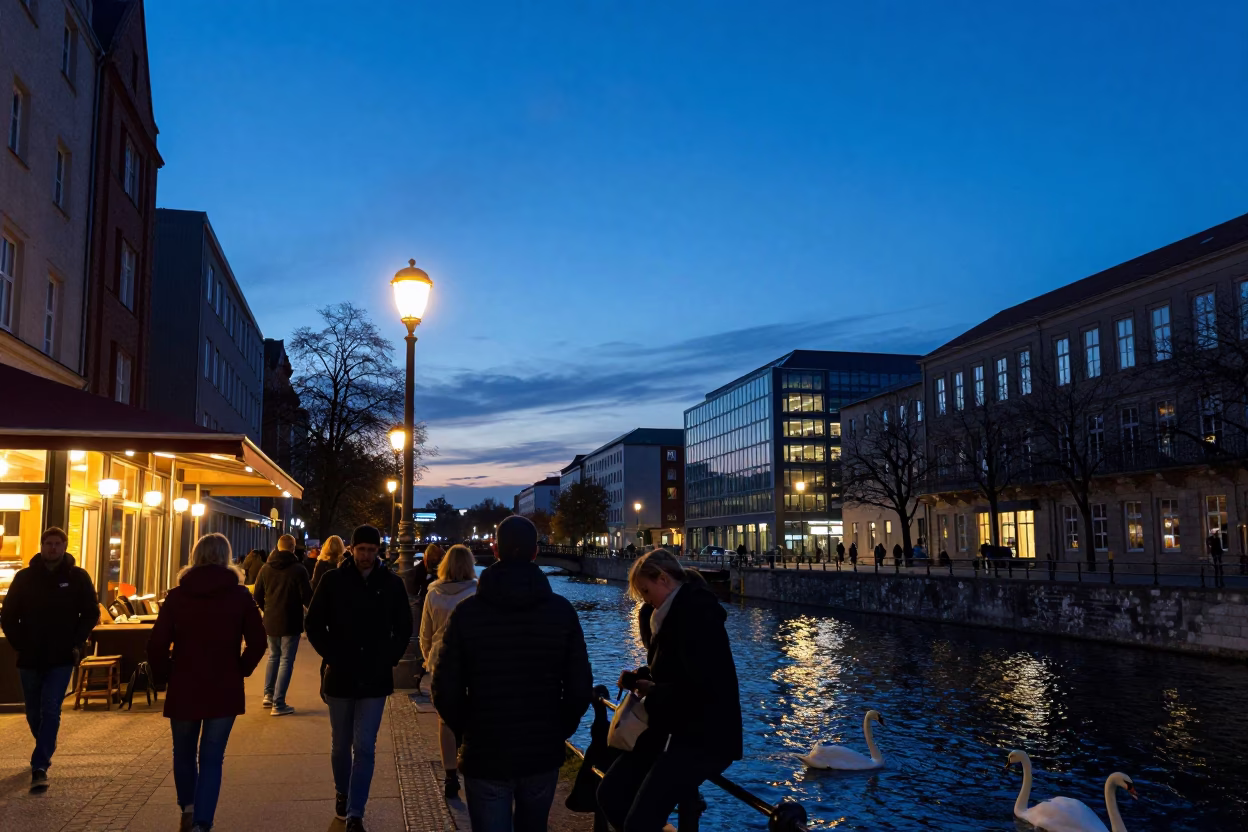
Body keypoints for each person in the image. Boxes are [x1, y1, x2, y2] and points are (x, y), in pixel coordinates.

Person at [432, 516, 592, 832]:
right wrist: (559, 729)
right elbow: (579, 687)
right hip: (541, 750)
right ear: (535, 553)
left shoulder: (468, 613)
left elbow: (444, 686)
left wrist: (467, 730)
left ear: (495, 550)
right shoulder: (561, 612)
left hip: (486, 750)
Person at [597, 549, 743, 832]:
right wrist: (642, 677)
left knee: (640, 820)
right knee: (610, 793)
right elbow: (674, 670)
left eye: (646, 590)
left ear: (663, 579)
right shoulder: (665, 614)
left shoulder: (696, 615)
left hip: (703, 737)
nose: (644, 599)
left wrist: (654, 689)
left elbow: (706, 687)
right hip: (671, 730)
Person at [148, 533, 266, 832]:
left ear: (195, 555)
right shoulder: (240, 596)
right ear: (226, 557)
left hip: (184, 681)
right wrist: (241, 669)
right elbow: (258, 641)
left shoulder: (177, 595)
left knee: (183, 751)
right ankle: (203, 821)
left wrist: (164, 675)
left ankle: (187, 807)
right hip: (223, 683)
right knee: (212, 757)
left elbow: (157, 642)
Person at [306, 525, 412, 832]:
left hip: (375, 677)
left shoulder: (391, 584)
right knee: (341, 744)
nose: (366, 555)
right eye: (361, 549)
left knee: (365, 746)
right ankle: (342, 790)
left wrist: (388, 658)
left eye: (372, 550)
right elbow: (313, 623)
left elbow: (404, 627)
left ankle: (356, 811)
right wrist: (332, 654)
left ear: (379, 552)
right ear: (351, 550)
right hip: (340, 674)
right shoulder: (333, 580)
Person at [0, 527, 99, 791]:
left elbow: (91, 612)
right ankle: (45, 743)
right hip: (29, 656)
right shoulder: (25, 578)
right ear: (42, 546)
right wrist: (19, 643)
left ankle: (40, 764)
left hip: (62, 655)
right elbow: (8, 615)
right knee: (33, 712)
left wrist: (77, 642)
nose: (52, 548)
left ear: (65, 546)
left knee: (51, 707)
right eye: (48, 544)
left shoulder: (77, 578)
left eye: (57, 544)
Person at [418, 544, 478, 799]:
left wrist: (430, 660)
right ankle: (472, 764)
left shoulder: (433, 594)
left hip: (441, 661)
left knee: (444, 719)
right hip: (472, 662)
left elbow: (425, 635)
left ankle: (450, 775)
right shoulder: (478, 592)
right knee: (474, 715)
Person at [253, 533, 313, 715]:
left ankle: (268, 695)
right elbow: (307, 597)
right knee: (286, 660)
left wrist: (267, 609)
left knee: (273, 657)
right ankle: (278, 703)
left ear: (277, 547)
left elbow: (257, 595)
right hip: (291, 619)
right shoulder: (298, 569)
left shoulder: (266, 568)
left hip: (270, 620)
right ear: (293, 548)